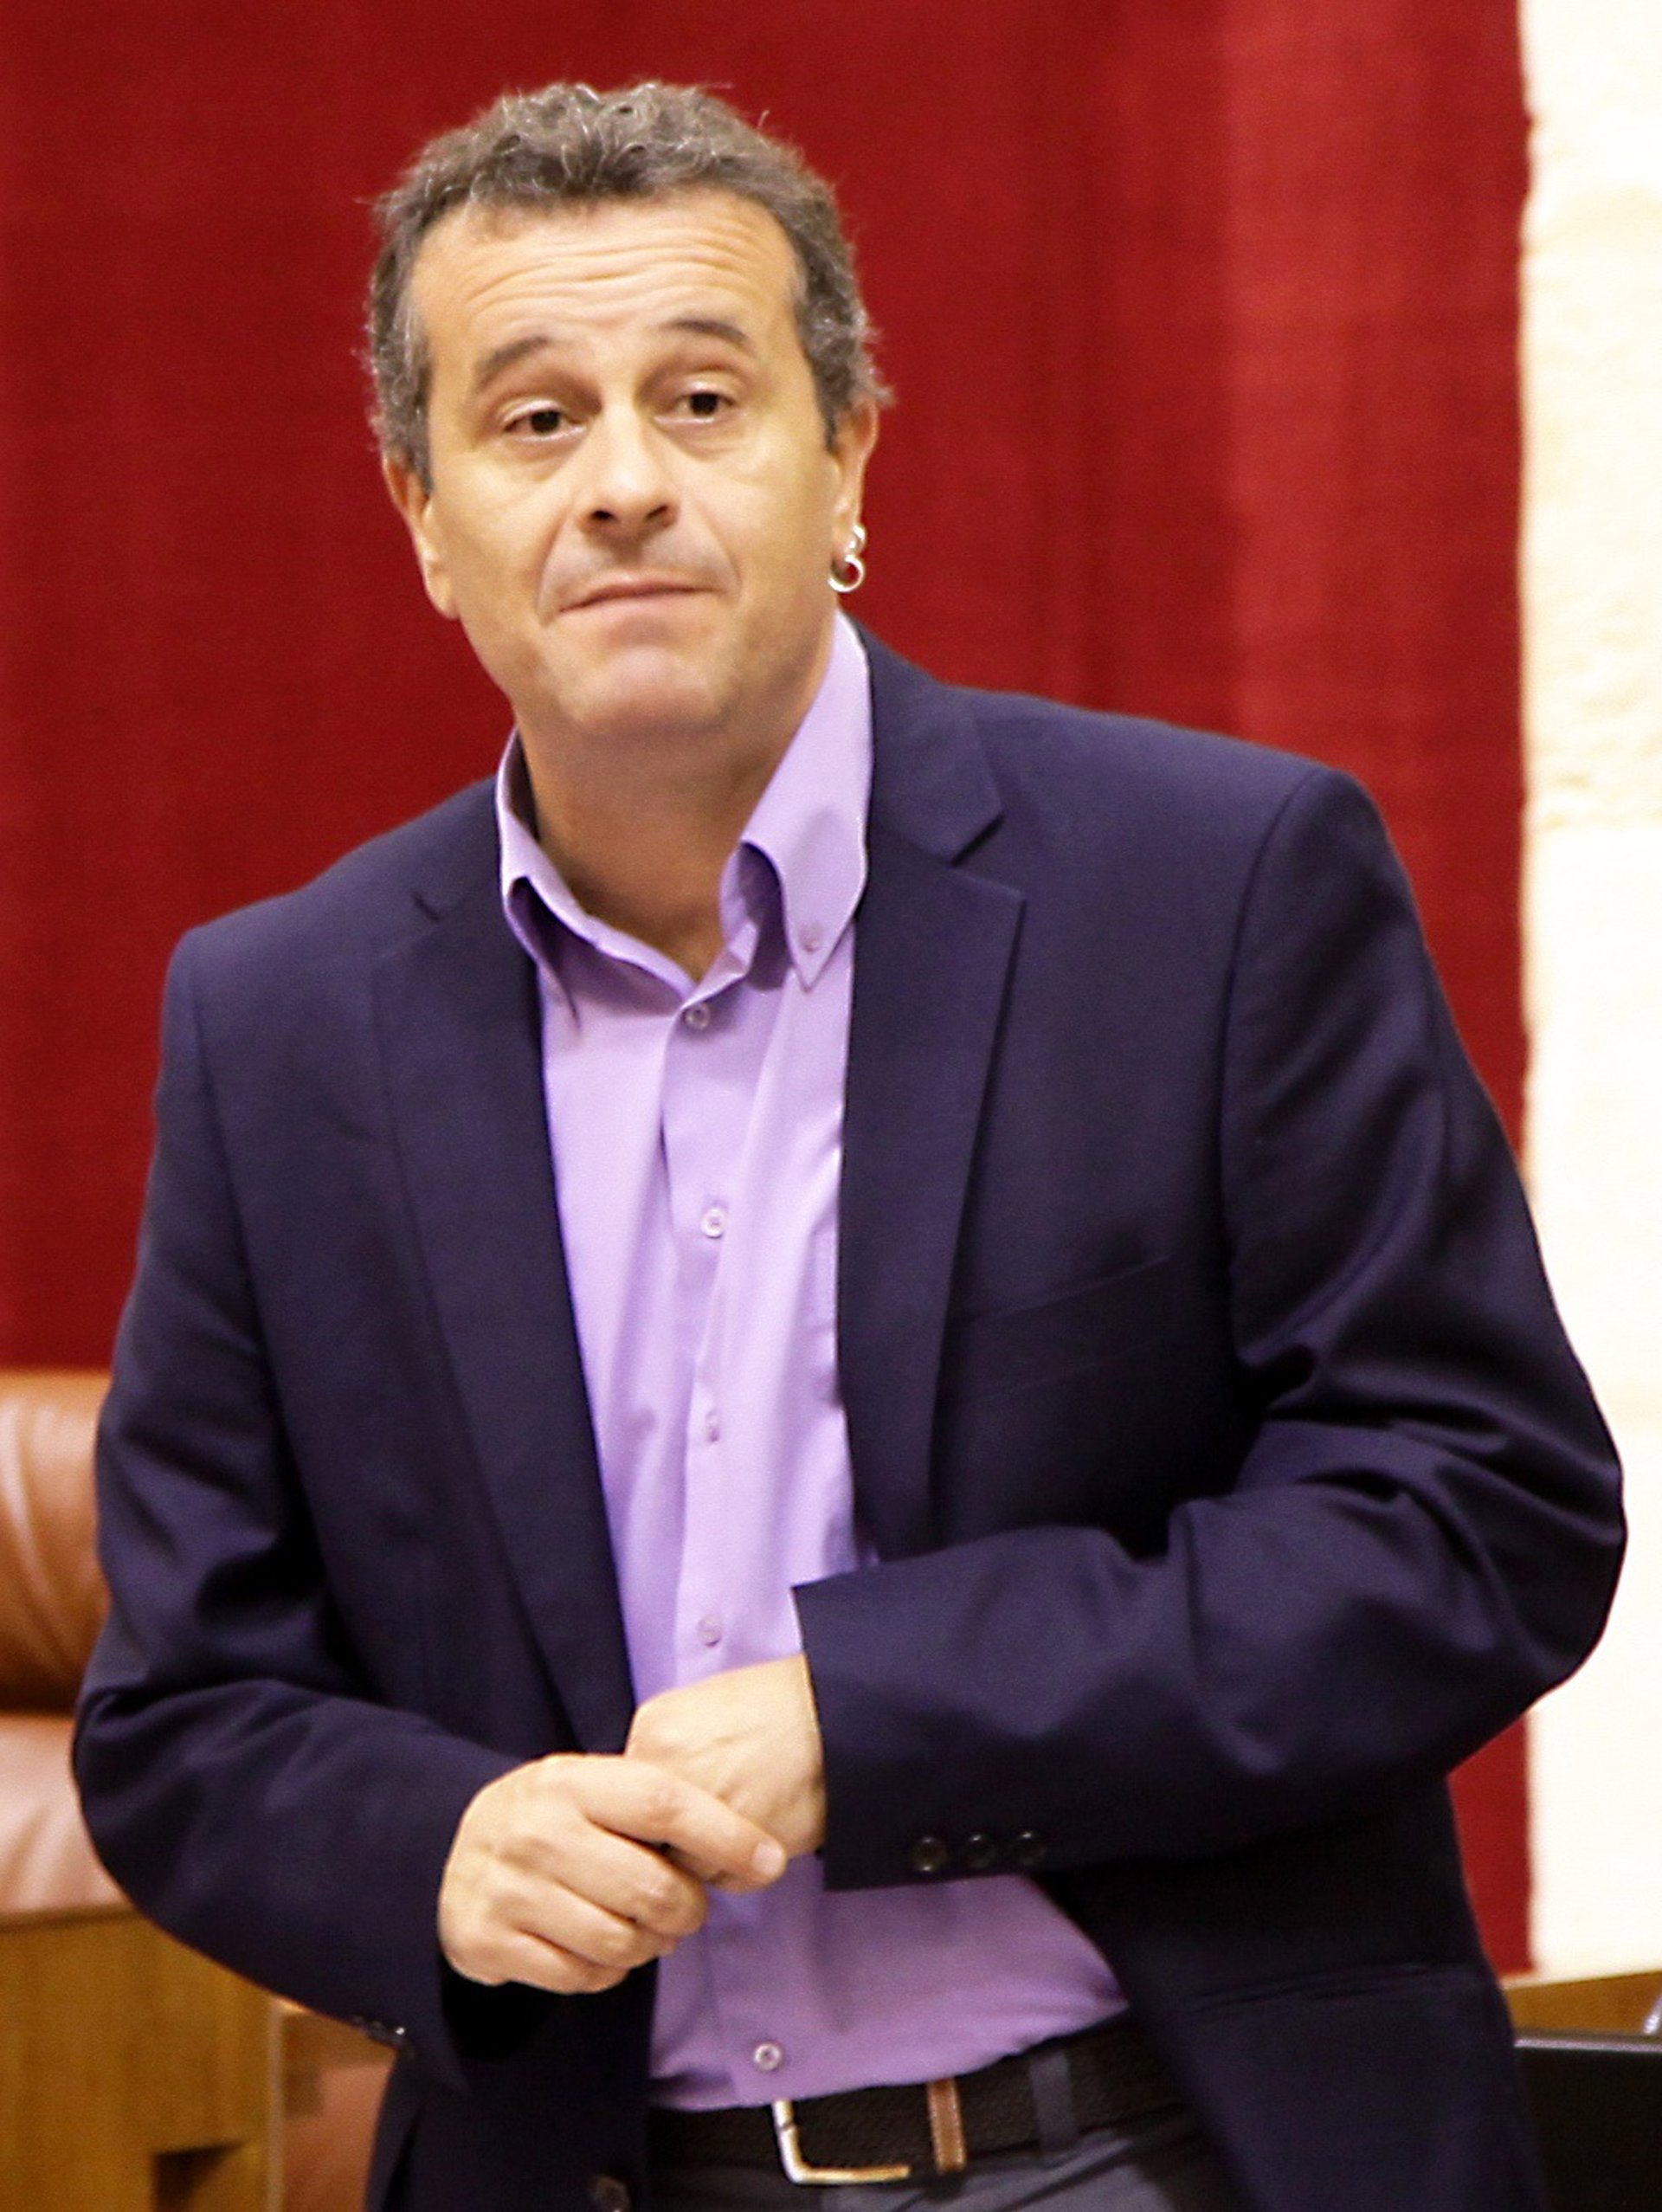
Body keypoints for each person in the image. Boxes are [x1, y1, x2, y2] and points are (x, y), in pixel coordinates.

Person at [74, 81, 1621, 2212]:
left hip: (1159, 2147)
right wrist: (434, 1846)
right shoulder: (280, 1022)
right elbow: (185, 1714)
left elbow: (1475, 1515)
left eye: (703, 399)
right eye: (536, 420)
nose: (625, 481)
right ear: (424, 514)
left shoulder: (1217, 888)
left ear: (850, 461)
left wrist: (876, 1716)